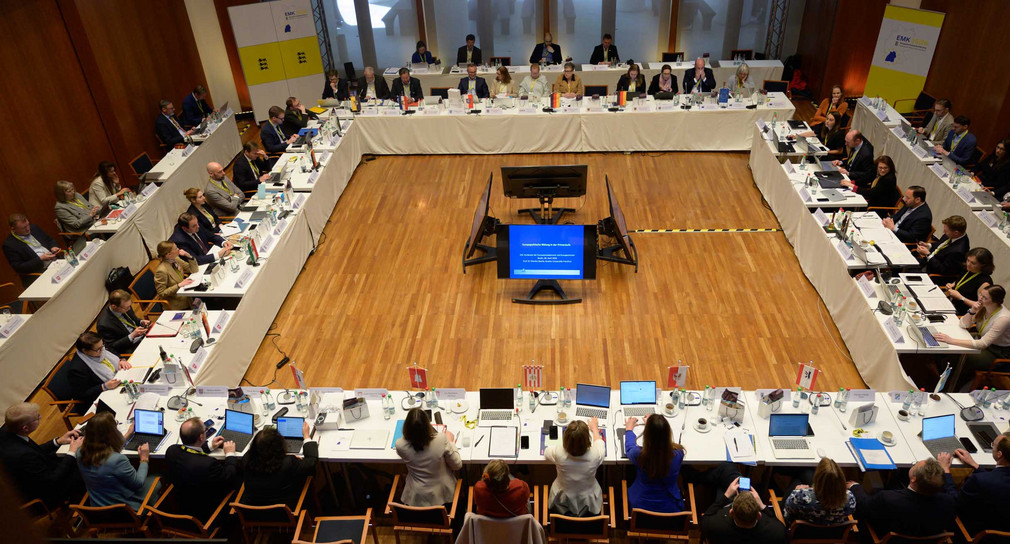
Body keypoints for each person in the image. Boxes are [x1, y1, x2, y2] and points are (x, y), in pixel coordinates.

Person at [0, 402, 83, 507]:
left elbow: (34, 451)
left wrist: (58, 441)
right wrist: (72, 451)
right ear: (25, 428)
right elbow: (53, 480)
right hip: (47, 493)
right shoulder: (24, 455)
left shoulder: (7, 431)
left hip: (39, 474)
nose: (41, 416)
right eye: (37, 417)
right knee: (85, 466)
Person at [848, 457, 955, 538]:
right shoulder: (949, 502)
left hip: (880, 534)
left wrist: (854, 487)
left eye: (916, 465)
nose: (915, 464)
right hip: (918, 532)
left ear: (913, 479)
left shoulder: (887, 498)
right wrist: (945, 469)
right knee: (899, 475)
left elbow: (863, 506)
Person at [76, 412, 160, 511]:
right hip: (125, 509)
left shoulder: (79, 453)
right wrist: (144, 459)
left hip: (99, 509)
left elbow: (107, 450)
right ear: (112, 433)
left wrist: (129, 433)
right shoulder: (118, 460)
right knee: (158, 478)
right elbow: (138, 483)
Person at [934, 285, 1010, 389]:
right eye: (981, 295)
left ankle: (951, 387)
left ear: (994, 301)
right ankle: (941, 378)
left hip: (996, 351)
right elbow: (963, 324)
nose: (980, 299)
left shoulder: (1003, 318)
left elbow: (983, 344)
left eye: (984, 298)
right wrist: (972, 310)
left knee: (964, 358)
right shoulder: (984, 307)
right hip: (981, 338)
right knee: (949, 348)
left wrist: (951, 340)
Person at [164, 417, 240, 519]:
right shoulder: (208, 464)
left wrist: (210, 446)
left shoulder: (171, 451)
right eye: (205, 430)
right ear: (201, 437)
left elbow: (189, 451)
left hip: (183, 501)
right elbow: (228, 476)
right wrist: (230, 453)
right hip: (207, 510)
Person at [942, 430, 1010, 535]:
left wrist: (945, 470)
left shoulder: (978, 480)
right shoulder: (987, 479)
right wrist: (974, 464)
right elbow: (999, 479)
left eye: (993, 445)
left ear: (1000, 454)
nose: (992, 447)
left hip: (972, 531)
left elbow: (954, 502)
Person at [394, 408, 461, 507]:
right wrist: (450, 441)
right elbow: (457, 465)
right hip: (443, 494)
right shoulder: (441, 439)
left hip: (416, 497)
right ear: (427, 425)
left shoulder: (400, 445)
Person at [240, 422, 317, 507]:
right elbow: (312, 462)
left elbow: (261, 454)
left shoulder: (246, 460)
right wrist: (306, 436)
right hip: (284, 513)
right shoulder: (288, 463)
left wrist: (285, 456)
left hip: (252, 513)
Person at [624, 415, 686, 513]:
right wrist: (655, 427)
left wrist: (629, 429)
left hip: (640, 508)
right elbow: (663, 444)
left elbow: (629, 448)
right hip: (670, 509)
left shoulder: (639, 455)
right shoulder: (678, 454)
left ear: (647, 435)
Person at [544, 418, 606, 516]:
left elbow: (546, 453)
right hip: (589, 501)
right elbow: (600, 443)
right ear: (587, 439)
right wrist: (594, 428)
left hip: (562, 501)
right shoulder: (595, 455)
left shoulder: (558, 452)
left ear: (566, 438)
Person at [701, 476, 786, 544]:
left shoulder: (714, 525)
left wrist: (726, 496)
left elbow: (705, 518)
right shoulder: (777, 533)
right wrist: (762, 505)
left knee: (722, 482)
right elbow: (778, 525)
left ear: (731, 512)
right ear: (758, 515)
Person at [67, 331, 131, 411]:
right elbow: (81, 394)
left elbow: (111, 349)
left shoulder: (99, 346)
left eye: (102, 346)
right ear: (85, 351)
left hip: (119, 377)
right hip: (99, 397)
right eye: (98, 350)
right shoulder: (77, 369)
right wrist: (104, 386)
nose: (102, 350)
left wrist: (121, 360)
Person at [783, 457, 855, 526]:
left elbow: (787, 508)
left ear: (817, 478)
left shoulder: (801, 496)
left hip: (802, 532)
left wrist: (796, 491)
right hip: (833, 533)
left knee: (797, 481)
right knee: (806, 473)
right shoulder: (850, 499)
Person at [3, 213, 60, 287]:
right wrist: (40, 259)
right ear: (13, 229)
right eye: (23, 228)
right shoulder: (9, 245)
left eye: (28, 225)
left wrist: (53, 247)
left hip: (56, 262)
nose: (28, 229)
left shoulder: (34, 228)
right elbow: (19, 268)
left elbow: (49, 240)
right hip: (40, 272)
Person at [96, 289, 150, 355]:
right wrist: (132, 336)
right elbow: (111, 347)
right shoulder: (104, 324)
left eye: (130, 306)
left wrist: (141, 322)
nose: (129, 309)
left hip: (142, 336)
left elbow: (134, 319)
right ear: (114, 307)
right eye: (126, 307)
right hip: (130, 347)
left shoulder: (126, 306)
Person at [944, 247, 994, 315]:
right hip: (951, 305)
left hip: (964, 313)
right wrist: (952, 285)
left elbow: (981, 307)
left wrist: (961, 298)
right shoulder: (967, 269)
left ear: (983, 265)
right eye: (968, 260)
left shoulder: (984, 283)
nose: (968, 264)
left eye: (973, 263)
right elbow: (961, 282)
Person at [154, 241, 200, 310]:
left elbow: (193, 270)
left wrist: (188, 256)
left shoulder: (176, 259)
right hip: (178, 303)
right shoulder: (161, 271)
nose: (178, 249)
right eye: (175, 248)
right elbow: (161, 293)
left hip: (187, 294)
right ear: (169, 254)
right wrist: (179, 285)